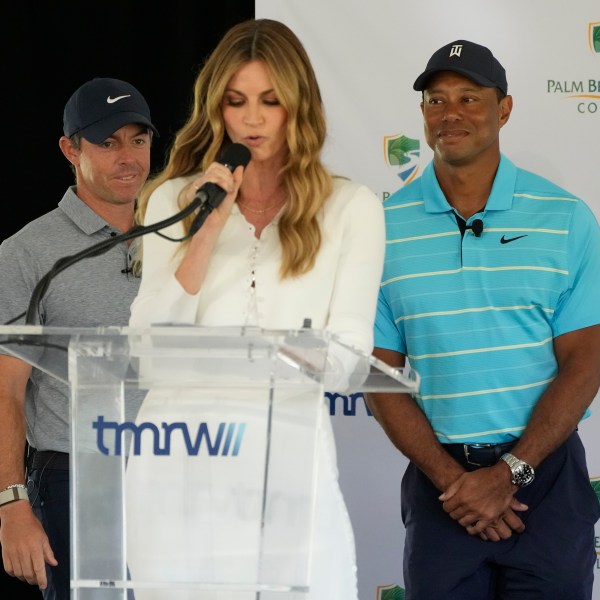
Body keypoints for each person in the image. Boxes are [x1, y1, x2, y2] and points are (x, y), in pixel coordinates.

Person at [127, 18, 385, 600]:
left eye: (271, 101)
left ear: (300, 107)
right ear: (216, 108)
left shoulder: (351, 208)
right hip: (179, 458)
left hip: (287, 461)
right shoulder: (175, 198)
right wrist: (203, 233)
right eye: (236, 101)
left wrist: (275, 359)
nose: (251, 118)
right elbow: (147, 348)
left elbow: (350, 356)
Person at [367, 39, 600, 600]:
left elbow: (587, 359)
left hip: (545, 482)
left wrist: (508, 474)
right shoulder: (379, 228)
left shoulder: (566, 218)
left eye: (470, 98)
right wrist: (457, 485)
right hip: (441, 482)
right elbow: (377, 374)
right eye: (436, 100)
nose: (451, 114)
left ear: (505, 109)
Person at [0, 77, 158, 599]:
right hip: (76, 475)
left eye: (138, 139)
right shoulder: (28, 250)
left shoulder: (179, 236)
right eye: (108, 142)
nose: (128, 157)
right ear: (71, 149)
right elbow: (6, 393)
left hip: (177, 463)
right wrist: (12, 504)